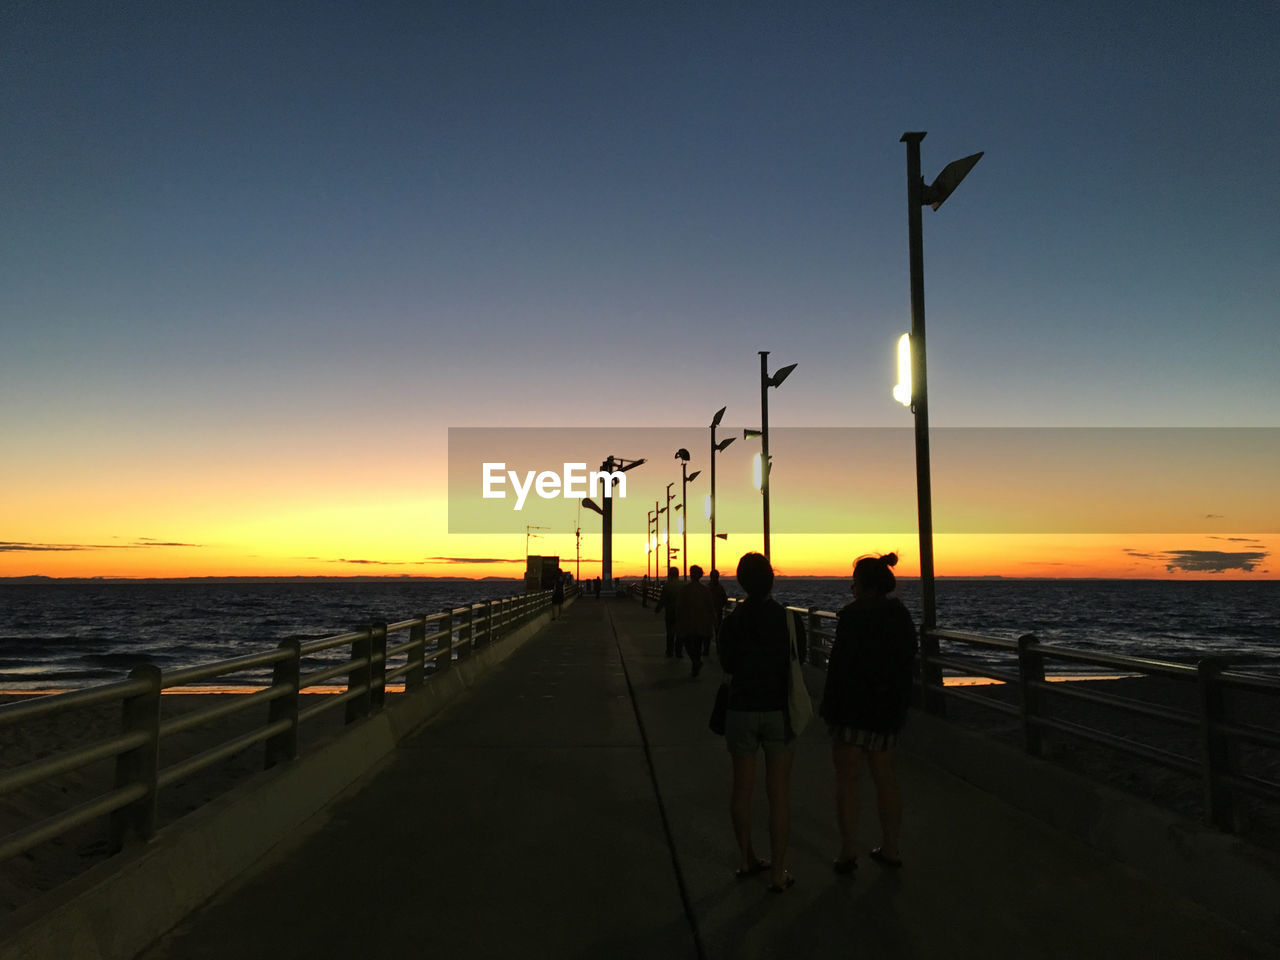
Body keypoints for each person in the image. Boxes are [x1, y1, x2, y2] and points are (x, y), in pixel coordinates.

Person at [820, 553, 917, 873]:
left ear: (861, 585)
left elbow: (840, 668)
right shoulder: (900, 616)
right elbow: (907, 664)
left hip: (851, 710)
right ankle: (891, 847)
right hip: (886, 711)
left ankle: (848, 852)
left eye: (854, 583)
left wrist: (829, 707)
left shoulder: (852, 617)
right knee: (885, 780)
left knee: (847, 782)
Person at [717, 552, 807, 893]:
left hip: (740, 708)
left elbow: (726, 662)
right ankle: (778, 871)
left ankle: (745, 859)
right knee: (779, 793)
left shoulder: (732, 620)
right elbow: (801, 661)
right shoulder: (787, 620)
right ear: (772, 579)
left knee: (742, 788)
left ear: (741, 581)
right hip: (778, 711)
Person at [676, 565, 716, 677]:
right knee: (698, 646)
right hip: (702, 623)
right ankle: (696, 664)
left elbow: (679, 607)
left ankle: (695, 663)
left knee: (687, 643)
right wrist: (714, 620)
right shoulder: (705, 590)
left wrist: (678, 620)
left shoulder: (685, 590)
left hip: (688, 623)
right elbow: (711, 607)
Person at [653, 567, 682, 657]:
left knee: (670, 632)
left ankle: (669, 651)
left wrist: (658, 609)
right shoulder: (682, 585)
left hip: (670, 612)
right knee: (680, 633)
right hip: (680, 613)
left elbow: (663, 599)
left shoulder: (667, 585)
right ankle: (678, 651)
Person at [707, 569, 728, 654]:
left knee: (708, 632)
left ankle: (706, 649)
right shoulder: (720, 588)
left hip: (710, 613)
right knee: (717, 632)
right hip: (717, 612)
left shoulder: (707, 588)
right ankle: (718, 649)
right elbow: (724, 599)